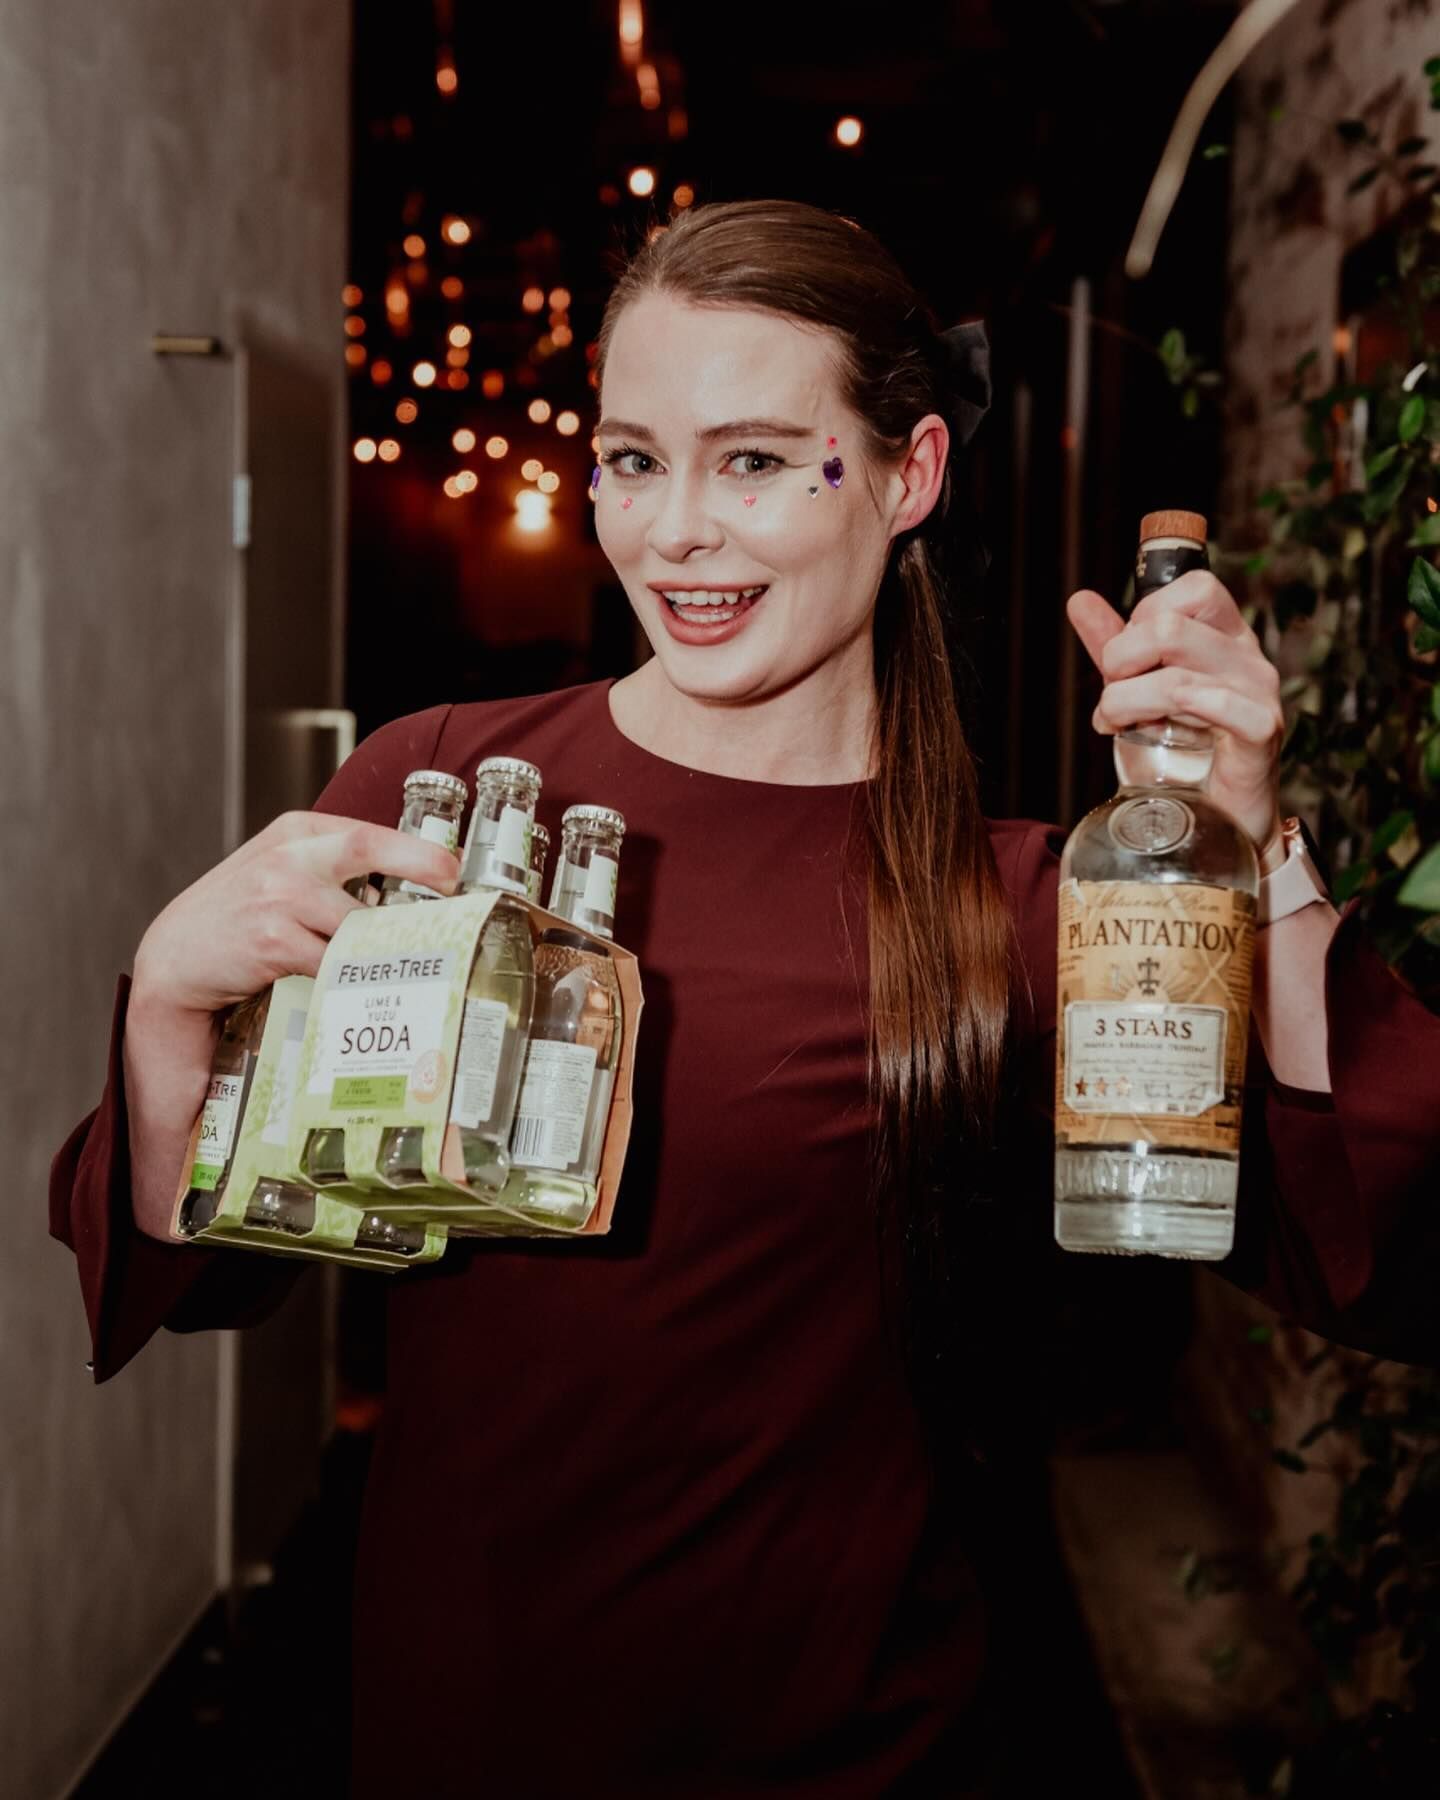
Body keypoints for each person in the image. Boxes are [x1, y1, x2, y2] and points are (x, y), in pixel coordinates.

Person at [52, 199, 1440, 1797]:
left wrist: (1254, 844)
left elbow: (1380, 1238)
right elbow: (216, 1250)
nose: (675, 532)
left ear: (908, 475)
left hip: (857, 1748)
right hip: (464, 1722)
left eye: (761, 460)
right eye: (633, 459)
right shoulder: (444, 791)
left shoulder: (1029, 904)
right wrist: (169, 1004)